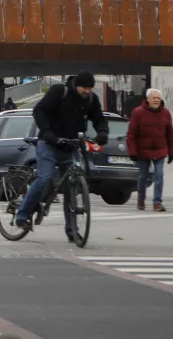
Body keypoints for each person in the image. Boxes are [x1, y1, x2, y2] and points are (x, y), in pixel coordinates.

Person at [15, 71, 108, 240]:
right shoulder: (59, 92)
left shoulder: (91, 99)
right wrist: (47, 131)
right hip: (49, 143)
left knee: (71, 186)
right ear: (77, 85)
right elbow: (39, 110)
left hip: (71, 145)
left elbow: (99, 118)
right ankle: (22, 214)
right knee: (44, 178)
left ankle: (71, 229)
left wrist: (102, 132)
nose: (88, 91)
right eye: (85, 87)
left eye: (90, 88)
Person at [126, 88, 173, 212]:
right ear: (147, 99)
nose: (156, 100)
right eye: (154, 98)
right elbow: (131, 134)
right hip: (143, 150)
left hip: (160, 150)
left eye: (158, 98)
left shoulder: (166, 113)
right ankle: (141, 200)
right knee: (142, 177)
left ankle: (157, 202)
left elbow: (170, 134)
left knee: (159, 175)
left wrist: (171, 152)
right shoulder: (137, 113)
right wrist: (132, 152)